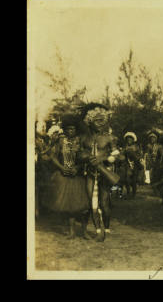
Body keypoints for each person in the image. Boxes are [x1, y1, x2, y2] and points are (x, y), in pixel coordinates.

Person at [78, 103, 121, 242]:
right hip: (89, 173)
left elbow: (118, 156)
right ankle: (98, 231)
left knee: (104, 202)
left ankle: (106, 228)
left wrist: (103, 158)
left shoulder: (109, 138)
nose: (100, 123)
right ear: (90, 121)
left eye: (102, 120)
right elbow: (78, 155)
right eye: (97, 120)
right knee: (92, 201)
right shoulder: (84, 138)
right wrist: (84, 156)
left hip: (105, 172)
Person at [42, 114, 89, 239]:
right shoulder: (60, 141)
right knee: (69, 206)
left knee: (83, 205)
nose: (70, 131)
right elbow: (53, 157)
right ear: (65, 129)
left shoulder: (81, 141)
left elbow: (85, 157)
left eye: (72, 129)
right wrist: (61, 168)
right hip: (64, 176)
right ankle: (72, 231)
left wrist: (77, 168)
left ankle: (84, 231)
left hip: (78, 176)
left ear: (76, 130)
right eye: (68, 129)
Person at [122, 132, 143, 199]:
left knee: (134, 180)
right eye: (127, 139)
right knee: (127, 179)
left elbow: (140, 155)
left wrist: (134, 155)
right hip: (127, 164)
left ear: (133, 140)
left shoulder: (136, 146)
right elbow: (122, 155)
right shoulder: (125, 147)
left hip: (135, 164)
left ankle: (133, 193)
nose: (129, 140)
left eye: (130, 139)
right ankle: (128, 192)